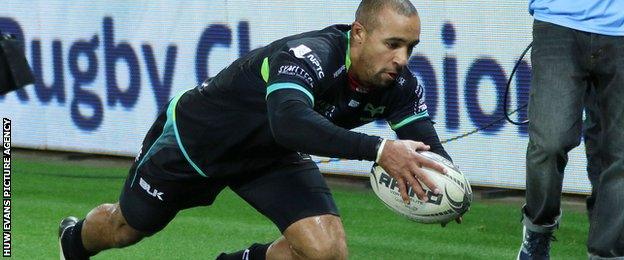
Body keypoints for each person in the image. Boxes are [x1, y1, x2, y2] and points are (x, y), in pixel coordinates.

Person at [58, 1, 461, 259]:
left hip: (270, 156)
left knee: (326, 250)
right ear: (359, 34)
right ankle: (73, 242)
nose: (402, 58)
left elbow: (426, 144)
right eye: (392, 44)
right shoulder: (309, 54)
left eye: (410, 47)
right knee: (127, 229)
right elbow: (288, 121)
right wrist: (378, 150)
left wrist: (445, 188)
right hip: (197, 142)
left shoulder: (399, 84)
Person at [519, 0, 624, 259]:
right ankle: (538, 230)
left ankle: (608, 252)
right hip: (558, 20)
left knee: (620, 153)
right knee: (549, 142)